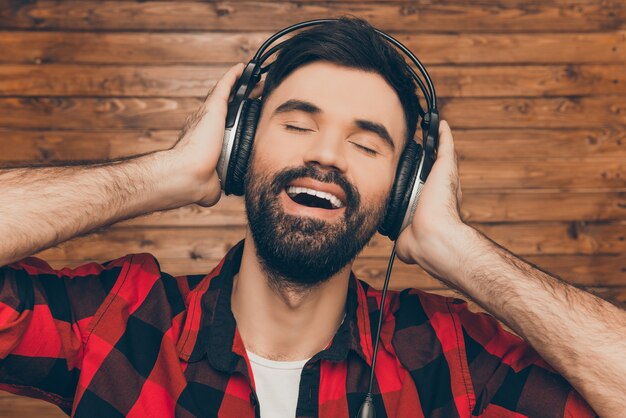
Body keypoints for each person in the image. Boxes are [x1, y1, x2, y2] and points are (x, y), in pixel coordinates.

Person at [0, 17, 623, 418]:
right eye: (298, 124)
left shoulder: (448, 354)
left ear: (404, 186)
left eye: (367, 143)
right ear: (240, 147)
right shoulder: (119, 318)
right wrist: (165, 175)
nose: (325, 154)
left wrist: (451, 245)